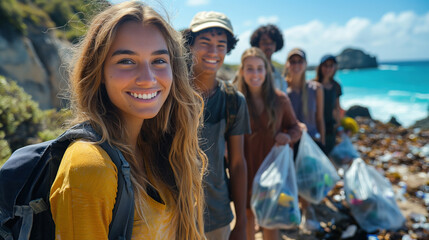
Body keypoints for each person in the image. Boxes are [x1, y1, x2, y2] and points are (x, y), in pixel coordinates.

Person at [49, 1, 207, 239]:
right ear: (99, 72)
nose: (148, 78)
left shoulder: (159, 148)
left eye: (159, 61)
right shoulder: (89, 166)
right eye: (127, 61)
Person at [183, 11, 251, 240]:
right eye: (205, 42)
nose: (213, 52)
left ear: (228, 49)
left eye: (221, 45)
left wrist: (241, 222)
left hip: (217, 215)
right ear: (189, 44)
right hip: (171, 214)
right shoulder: (170, 94)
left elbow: (238, 163)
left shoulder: (234, 100)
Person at [233, 47, 301, 240]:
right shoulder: (236, 101)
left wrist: (288, 137)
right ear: (242, 71)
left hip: (273, 172)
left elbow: (295, 128)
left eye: (259, 68)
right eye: (250, 68)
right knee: (247, 217)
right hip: (244, 168)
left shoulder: (280, 99)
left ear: (266, 71)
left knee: (270, 218)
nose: (255, 74)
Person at [284, 48, 325, 148]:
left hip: (313, 142)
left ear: (306, 64)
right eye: (293, 62)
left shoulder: (316, 88)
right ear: (287, 64)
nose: (296, 65)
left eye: (300, 61)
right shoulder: (283, 90)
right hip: (292, 144)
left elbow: (319, 119)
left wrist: (323, 144)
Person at [314, 54, 343, 155]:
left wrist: (340, 127)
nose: (328, 68)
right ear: (320, 67)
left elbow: (337, 108)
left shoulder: (336, 86)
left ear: (335, 68)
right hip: (315, 129)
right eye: (325, 65)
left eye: (331, 65)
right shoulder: (313, 85)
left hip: (330, 129)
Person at [250, 24, 287, 93]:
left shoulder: (280, 79)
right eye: (265, 42)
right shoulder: (248, 73)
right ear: (257, 44)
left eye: (272, 42)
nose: (269, 46)